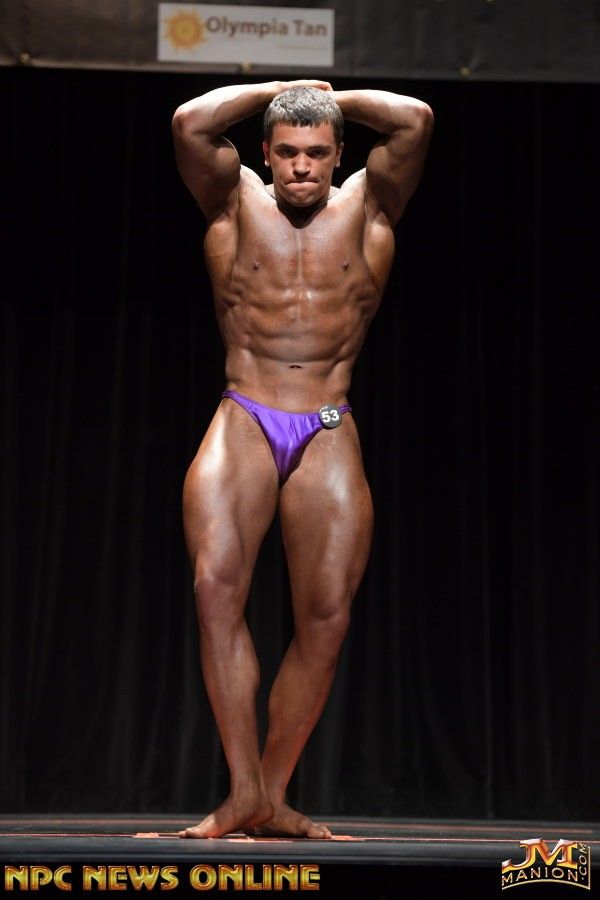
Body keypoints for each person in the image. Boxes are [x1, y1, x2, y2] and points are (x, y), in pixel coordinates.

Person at [171, 79, 433, 840]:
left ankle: (275, 794)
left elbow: (416, 118)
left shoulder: (370, 208)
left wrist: (327, 94)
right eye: (287, 152)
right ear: (265, 152)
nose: (301, 167)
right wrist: (282, 89)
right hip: (245, 413)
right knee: (215, 587)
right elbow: (189, 122)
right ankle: (241, 791)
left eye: (317, 152)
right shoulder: (233, 201)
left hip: (326, 421)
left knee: (326, 616)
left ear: (340, 153)